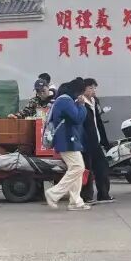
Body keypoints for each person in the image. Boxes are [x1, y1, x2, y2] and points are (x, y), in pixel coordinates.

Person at [44, 78, 90, 211]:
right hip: (67, 140)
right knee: (78, 168)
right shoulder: (65, 101)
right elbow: (78, 118)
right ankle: (54, 193)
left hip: (67, 140)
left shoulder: (62, 101)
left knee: (76, 169)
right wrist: (81, 105)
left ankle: (75, 202)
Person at [80, 78, 113, 204]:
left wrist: (104, 141)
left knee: (102, 167)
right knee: (87, 170)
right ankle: (86, 196)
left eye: (94, 88)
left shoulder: (94, 101)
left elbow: (98, 122)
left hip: (96, 141)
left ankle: (103, 194)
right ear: (83, 90)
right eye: (90, 88)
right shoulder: (81, 103)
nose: (93, 90)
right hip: (86, 143)